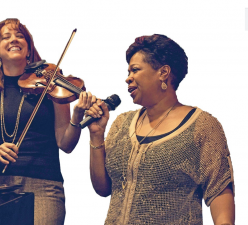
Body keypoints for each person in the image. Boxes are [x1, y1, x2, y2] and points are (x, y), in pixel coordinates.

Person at [87, 34, 235, 224]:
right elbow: (103, 189)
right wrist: (97, 135)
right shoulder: (122, 124)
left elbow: (220, 193)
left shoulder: (202, 125)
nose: (128, 78)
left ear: (163, 72)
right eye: (128, 72)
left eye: (135, 70)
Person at [0, 18, 94, 225]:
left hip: (44, 185)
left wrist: (76, 118)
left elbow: (66, 144)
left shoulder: (52, 83)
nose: (13, 40)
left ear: (28, 50)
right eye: (6, 37)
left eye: (20, 36)